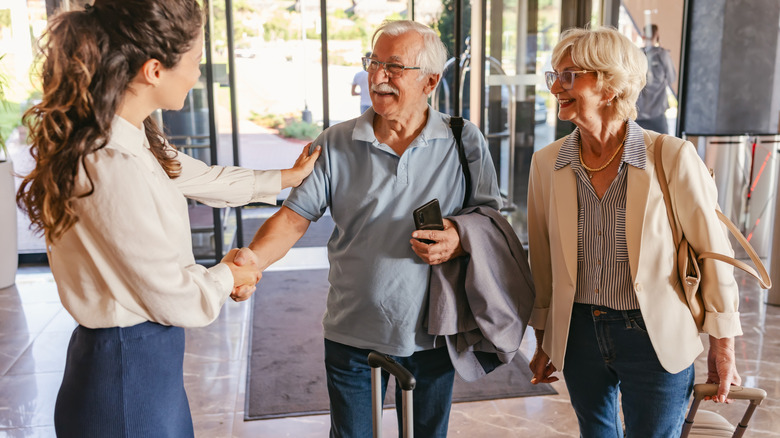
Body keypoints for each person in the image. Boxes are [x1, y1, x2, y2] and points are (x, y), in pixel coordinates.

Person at [15, 1, 320, 436]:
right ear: (154, 70)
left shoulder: (127, 136)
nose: (198, 74)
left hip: (146, 366)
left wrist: (286, 177)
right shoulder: (109, 163)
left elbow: (201, 177)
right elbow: (173, 295)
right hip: (124, 375)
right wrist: (230, 275)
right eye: (195, 60)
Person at [230, 20, 501, 437]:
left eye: (394, 67)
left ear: (430, 81)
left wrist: (458, 237)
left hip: (435, 332)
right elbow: (293, 217)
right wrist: (252, 260)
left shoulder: (464, 141)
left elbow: (489, 218)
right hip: (352, 335)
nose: (377, 77)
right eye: (373, 63)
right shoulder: (336, 143)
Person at [527, 27, 741, 438]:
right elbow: (543, 260)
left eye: (569, 75)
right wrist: (543, 338)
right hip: (579, 333)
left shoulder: (672, 156)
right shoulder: (547, 163)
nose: (555, 86)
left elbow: (713, 252)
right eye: (553, 75)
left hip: (654, 334)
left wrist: (722, 345)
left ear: (609, 85)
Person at [635, 24, 676, 133]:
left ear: (643, 36)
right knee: (662, 147)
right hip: (657, 113)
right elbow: (672, 78)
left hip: (638, 113)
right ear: (657, 36)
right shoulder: (663, 55)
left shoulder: (636, 54)